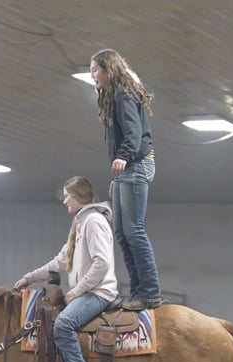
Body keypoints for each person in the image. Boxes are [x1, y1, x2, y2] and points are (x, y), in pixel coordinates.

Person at [13, 176, 117, 362]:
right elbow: (60, 261)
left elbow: (101, 263)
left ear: (79, 196)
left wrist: (76, 291)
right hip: (87, 292)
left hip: (98, 293)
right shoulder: (80, 223)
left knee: (63, 325)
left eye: (68, 195)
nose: (64, 201)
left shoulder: (93, 222)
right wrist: (29, 278)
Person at [90, 48, 164, 311]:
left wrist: (123, 157)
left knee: (134, 230)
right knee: (121, 233)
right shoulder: (114, 98)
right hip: (128, 170)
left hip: (135, 164)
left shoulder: (123, 95)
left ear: (108, 69)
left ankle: (151, 292)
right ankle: (137, 291)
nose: (93, 76)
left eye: (95, 70)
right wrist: (119, 176)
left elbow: (133, 133)